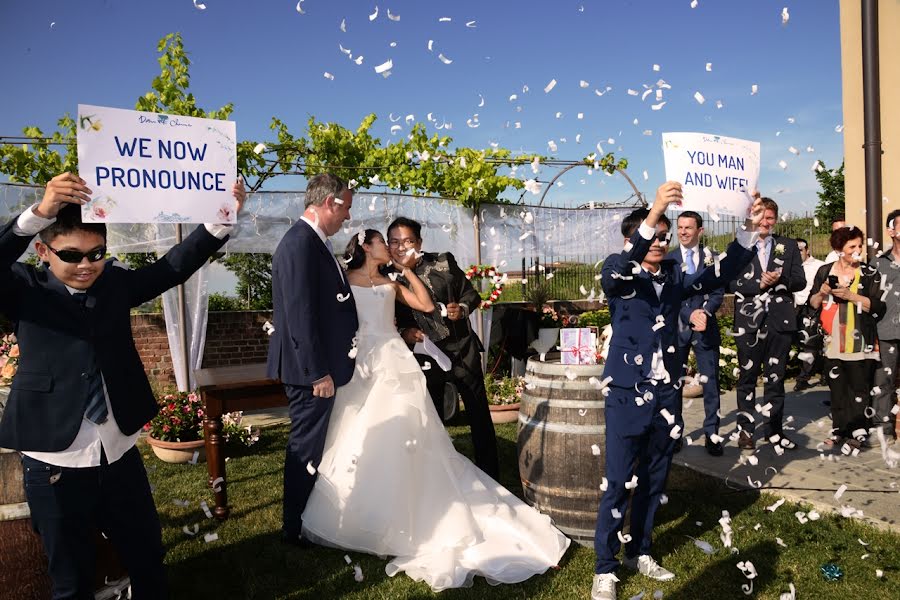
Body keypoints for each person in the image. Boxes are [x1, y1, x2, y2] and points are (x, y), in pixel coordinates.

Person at [0, 171, 246, 599]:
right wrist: (39, 213)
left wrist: (222, 218)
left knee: (147, 559)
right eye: (72, 255)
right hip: (53, 459)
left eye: (97, 254)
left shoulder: (113, 283)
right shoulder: (22, 287)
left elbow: (172, 267)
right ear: (42, 250)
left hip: (118, 452)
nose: (86, 265)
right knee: (72, 579)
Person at [300, 229, 570, 591]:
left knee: (407, 431)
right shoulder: (343, 281)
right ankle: (362, 508)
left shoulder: (392, 282)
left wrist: (405, 269)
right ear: (366, 247)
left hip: (394, 360)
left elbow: (426, 306)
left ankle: (409, 502)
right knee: (358, 430)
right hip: (360, 362)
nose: (391, 248)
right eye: (384, 243)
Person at [591, 182, 763, 600]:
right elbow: (623, 267)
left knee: (654, 477)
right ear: (631, 239)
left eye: (665, 237)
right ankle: (605, 568)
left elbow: (714, 276)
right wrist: (654, 212)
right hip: (627, 393)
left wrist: (746, 232)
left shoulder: (671, 274)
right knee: (618, 482)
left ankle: (642, 551)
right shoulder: (616, 268)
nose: (661, 242)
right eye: (654, 235)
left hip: (666, 395)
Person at [266, 173, 358, 548]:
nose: (347, 218)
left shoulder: (312, 242)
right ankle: (295, 527)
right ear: (329, 203)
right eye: (346, 208)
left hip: (317, 369)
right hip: (311, 374)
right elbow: (300, 314)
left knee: (312, 445)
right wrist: (317, 371)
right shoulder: (300, 244)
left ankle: (304, 517)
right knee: (305, 447)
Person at [388, 217, 500, 480]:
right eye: (394, 241)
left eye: (407, 241)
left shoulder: (443, 261)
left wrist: (461, 309)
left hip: (462, 351)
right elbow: (386, 318)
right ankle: (437, 480)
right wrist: (405, 333)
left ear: (419, 242)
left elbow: (471, 295)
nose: (401, 247)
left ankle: (491, 475)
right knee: (431, 420)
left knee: (479, 417)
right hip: (425, 358)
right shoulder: (384, 277)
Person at [728, 197, 806, 451]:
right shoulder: (739, 247)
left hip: (779, 323)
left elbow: (800, 281)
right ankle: (746, 431)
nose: (765, 221)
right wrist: (758, 285)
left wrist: (780, 278)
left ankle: (774, 431)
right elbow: (730, 283)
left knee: (776, 379)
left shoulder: (787, 246)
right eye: (760, 216)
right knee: (748, 379)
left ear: (775, 220)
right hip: (749, 323)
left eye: (769, 217)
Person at [808, 226, 885, 450]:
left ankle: (858, 432)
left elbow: (877, 306)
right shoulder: (824, 271)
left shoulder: (869, 273)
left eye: (860, 246)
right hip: (832, 340)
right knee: (838, 388)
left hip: (861, 338)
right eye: (852, 246)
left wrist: (851, 296)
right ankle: (839, 431)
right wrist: (822, 292)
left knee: (859, 388)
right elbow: (812, 304)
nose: (858, 250)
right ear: (838, 248)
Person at [668, 210, 726, 456]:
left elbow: (718, 291)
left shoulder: (712, 257)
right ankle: (675, 433)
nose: (682, 232)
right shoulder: (669, 260)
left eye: (688, 227)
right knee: (674, 385)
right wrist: (688, 314)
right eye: (679, 227)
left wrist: (705, 312)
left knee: (710, 383)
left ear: (700, 231)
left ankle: (712, 433)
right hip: (678, 331)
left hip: (706, 329)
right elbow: (669, 297)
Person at [873, 209, 900, 445]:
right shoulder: (878, 263)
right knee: (883, 382)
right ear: (891, 230)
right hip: (886, 332)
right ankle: (883, 427)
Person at [793, 238, 826, 391]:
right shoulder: (790, 266)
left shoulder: (819, 266)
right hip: (793, 307)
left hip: (811, 308)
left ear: (807, 250)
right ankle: (821, 371)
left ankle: (803, 377)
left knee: (810, 342)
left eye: (800, 249)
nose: (798, 252)